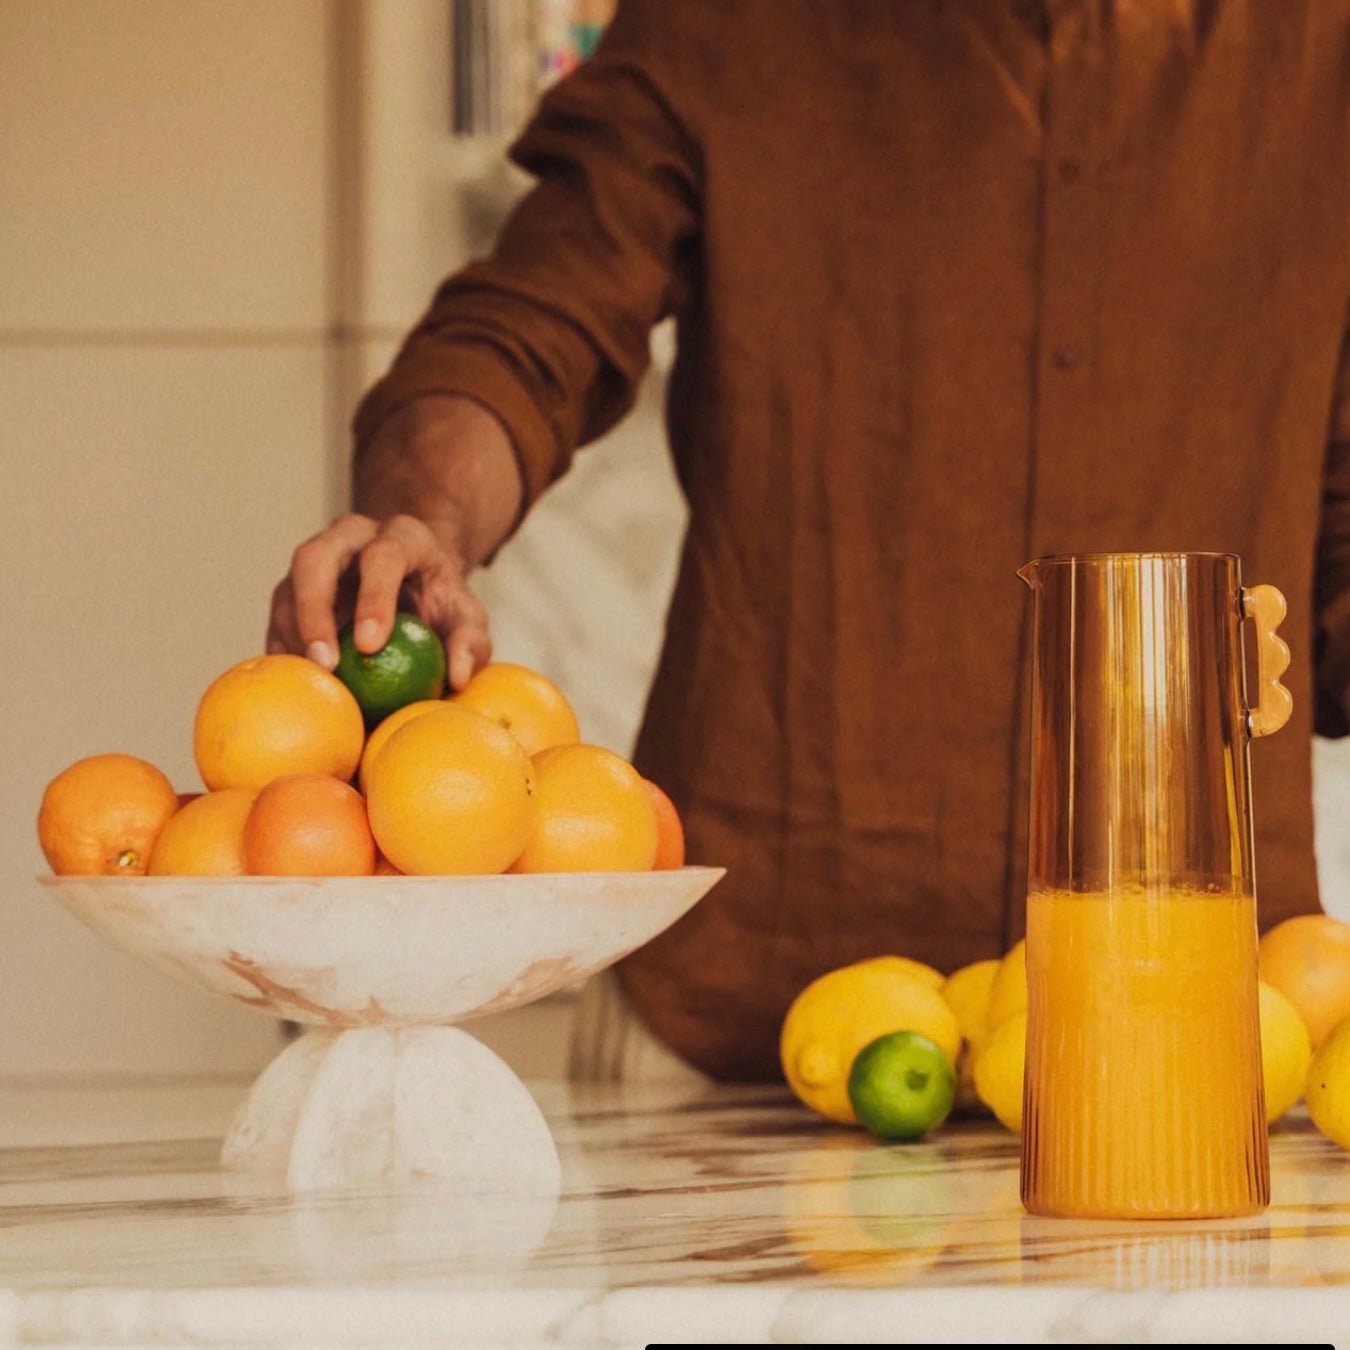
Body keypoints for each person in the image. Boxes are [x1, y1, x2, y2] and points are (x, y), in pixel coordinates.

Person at [268, 0, 1350, 1082]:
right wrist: (427, 525)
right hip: (738, 1020)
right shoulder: (731, 25)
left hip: (1198, 1044)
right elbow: (528, 326)